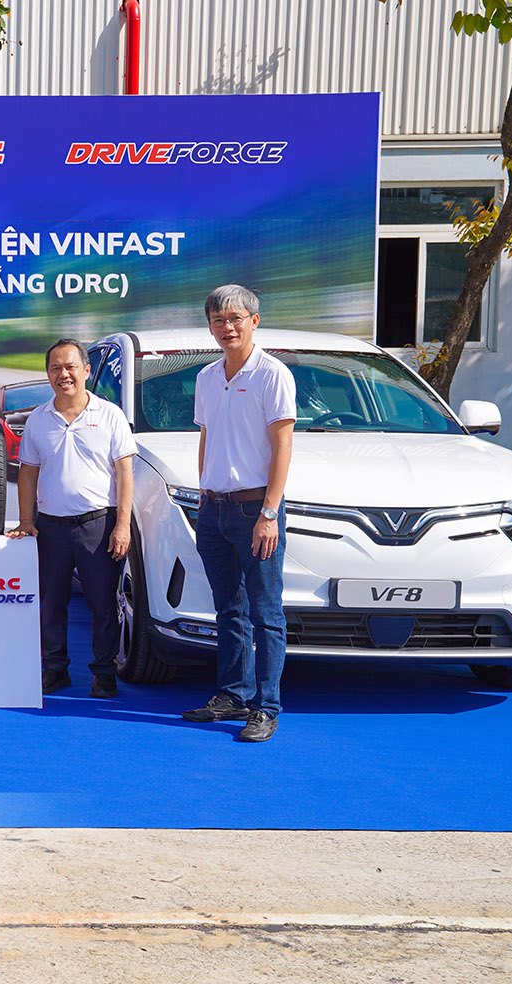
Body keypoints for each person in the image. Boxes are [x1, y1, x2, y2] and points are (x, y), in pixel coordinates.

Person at [181, 284, 296, 742]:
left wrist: (269, 512)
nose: (227, 327)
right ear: (210, 326)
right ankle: (233, 695)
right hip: (215, 508)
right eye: (218, 320)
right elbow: (207, 437)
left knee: (265, 612)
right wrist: (203, 493)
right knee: (229, 609)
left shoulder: (272, 374)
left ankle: (266, 707)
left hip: (255, 510)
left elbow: (282, 445)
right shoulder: (208, 377)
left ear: (254, 321)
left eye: (235, 318)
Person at [7, 339, 137, 698]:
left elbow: (125, 473)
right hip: (51, 527)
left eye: (70, 367)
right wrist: (26, 520)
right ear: (48, 374)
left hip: (98, 525)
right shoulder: (38, 419)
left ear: (86, 371)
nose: (63, 374)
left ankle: (104, 673)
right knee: (51, 603)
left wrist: (122, 525)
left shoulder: (109, 415)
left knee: (103, 605)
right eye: (55, 368)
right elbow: (28, 473)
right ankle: (55, 670)